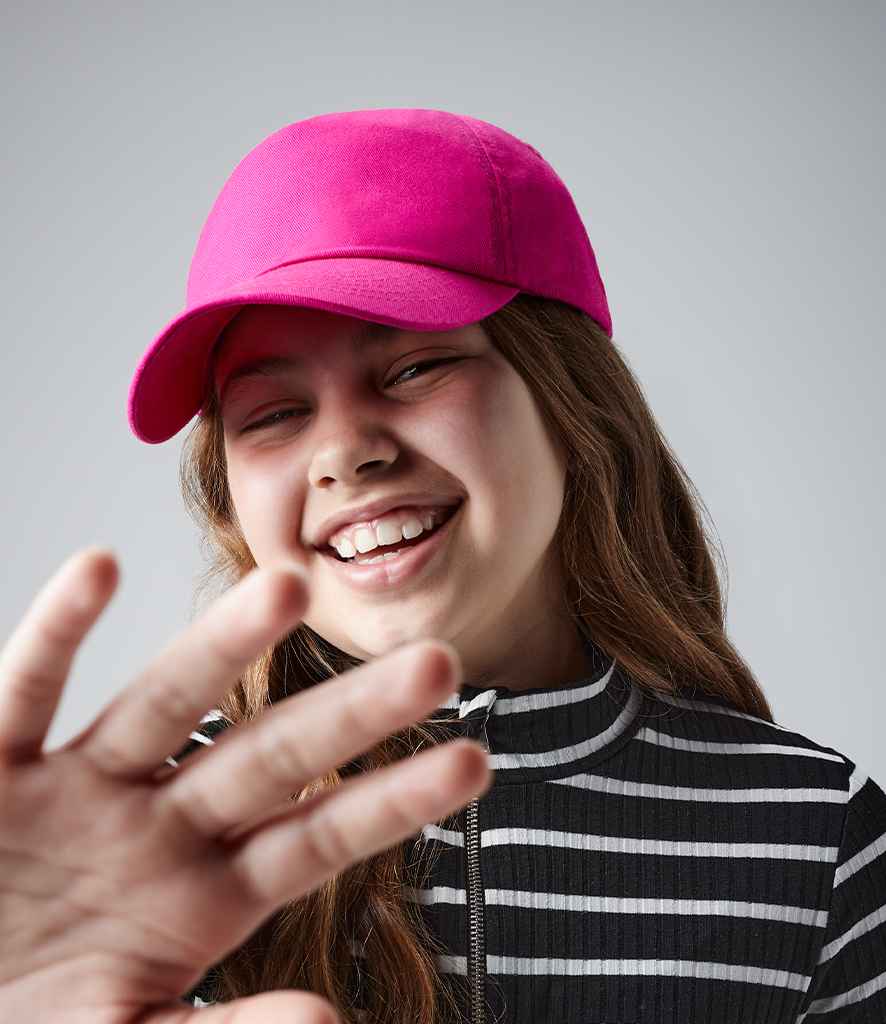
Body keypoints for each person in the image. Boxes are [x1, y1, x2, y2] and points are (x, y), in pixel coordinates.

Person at [1, 108, 883, 1024]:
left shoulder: (818, 836)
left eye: (416, 368)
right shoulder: (134, 851)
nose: (345, 453)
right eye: (274, 414)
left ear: (576, 407)